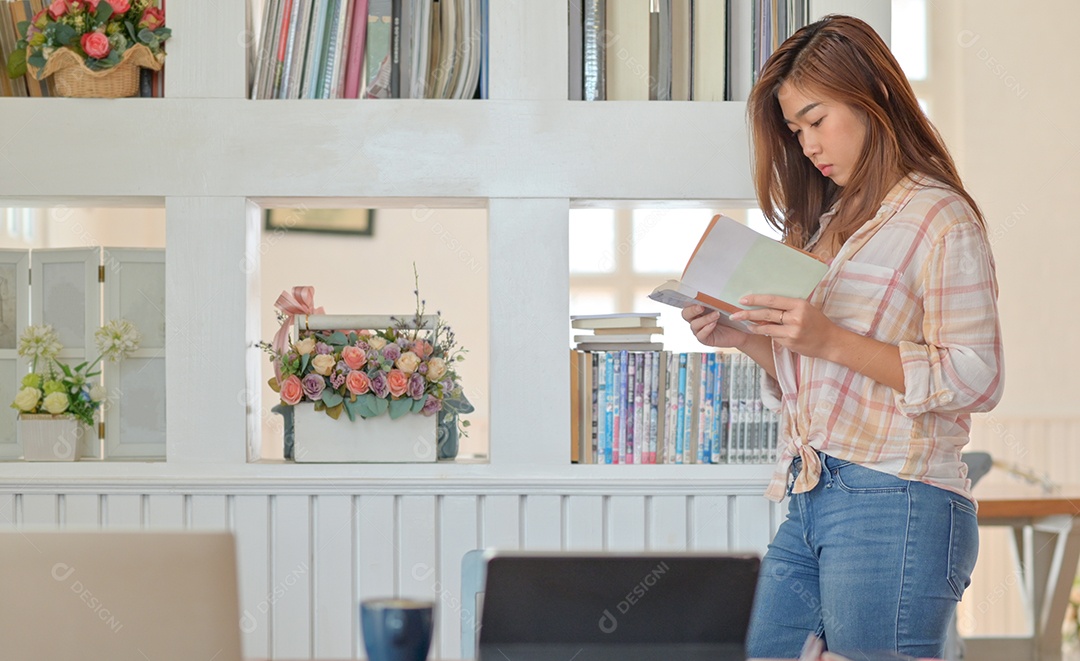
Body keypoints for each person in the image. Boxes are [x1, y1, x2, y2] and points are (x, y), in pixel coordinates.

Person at [681, 15, 1004, 659]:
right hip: (810, 491)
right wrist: (745, 338)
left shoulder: (939, 217)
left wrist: (829, 339)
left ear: (872, 96)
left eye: (816, 120)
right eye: (795, 131)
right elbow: (818, 369)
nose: (806, 145)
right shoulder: (824, 223)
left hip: (899, 498)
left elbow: (977, 376)